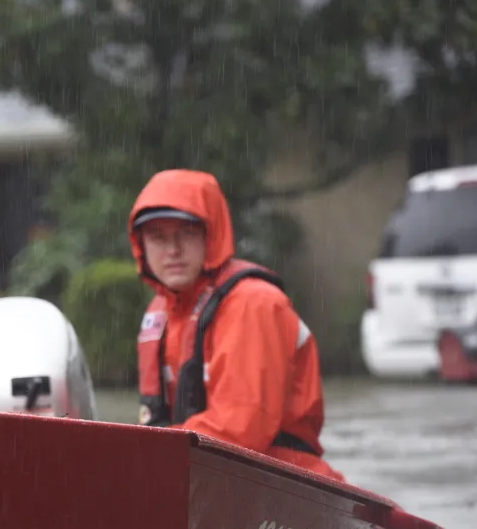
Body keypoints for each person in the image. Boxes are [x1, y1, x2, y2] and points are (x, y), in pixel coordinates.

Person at [129, 169, 345, 482]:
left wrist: (143, 453)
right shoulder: (159, 314)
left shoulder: (253, 303)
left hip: (279, 478)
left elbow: (242, 430)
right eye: (158, 237)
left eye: (186, 233)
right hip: (196, 471)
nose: (172, 250)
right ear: (141, 245)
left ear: (210, 234)